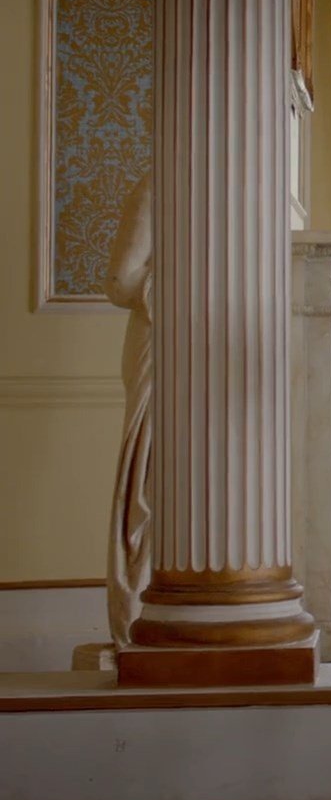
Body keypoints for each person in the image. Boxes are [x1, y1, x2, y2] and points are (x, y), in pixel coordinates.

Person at [104, 174, 155, 648]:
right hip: (159, 348)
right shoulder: (156, 188)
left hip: (198, 348)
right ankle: (139, 612)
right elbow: (120, 283)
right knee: (150, 481)